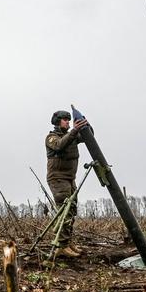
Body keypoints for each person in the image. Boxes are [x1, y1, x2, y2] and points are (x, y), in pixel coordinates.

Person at [45, 110, 88, 257]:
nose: (68, 123)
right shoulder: (51, 137)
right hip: (57, 178)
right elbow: (60, 145)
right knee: (65, 211)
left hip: (70, 179)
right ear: (57, 121)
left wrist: (85, 124)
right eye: (65, 120)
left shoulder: (72, 136)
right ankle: (61, 246)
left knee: (72, 210)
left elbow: (89, 136)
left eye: (69, 120)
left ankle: (67, 243)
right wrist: (75, 130)